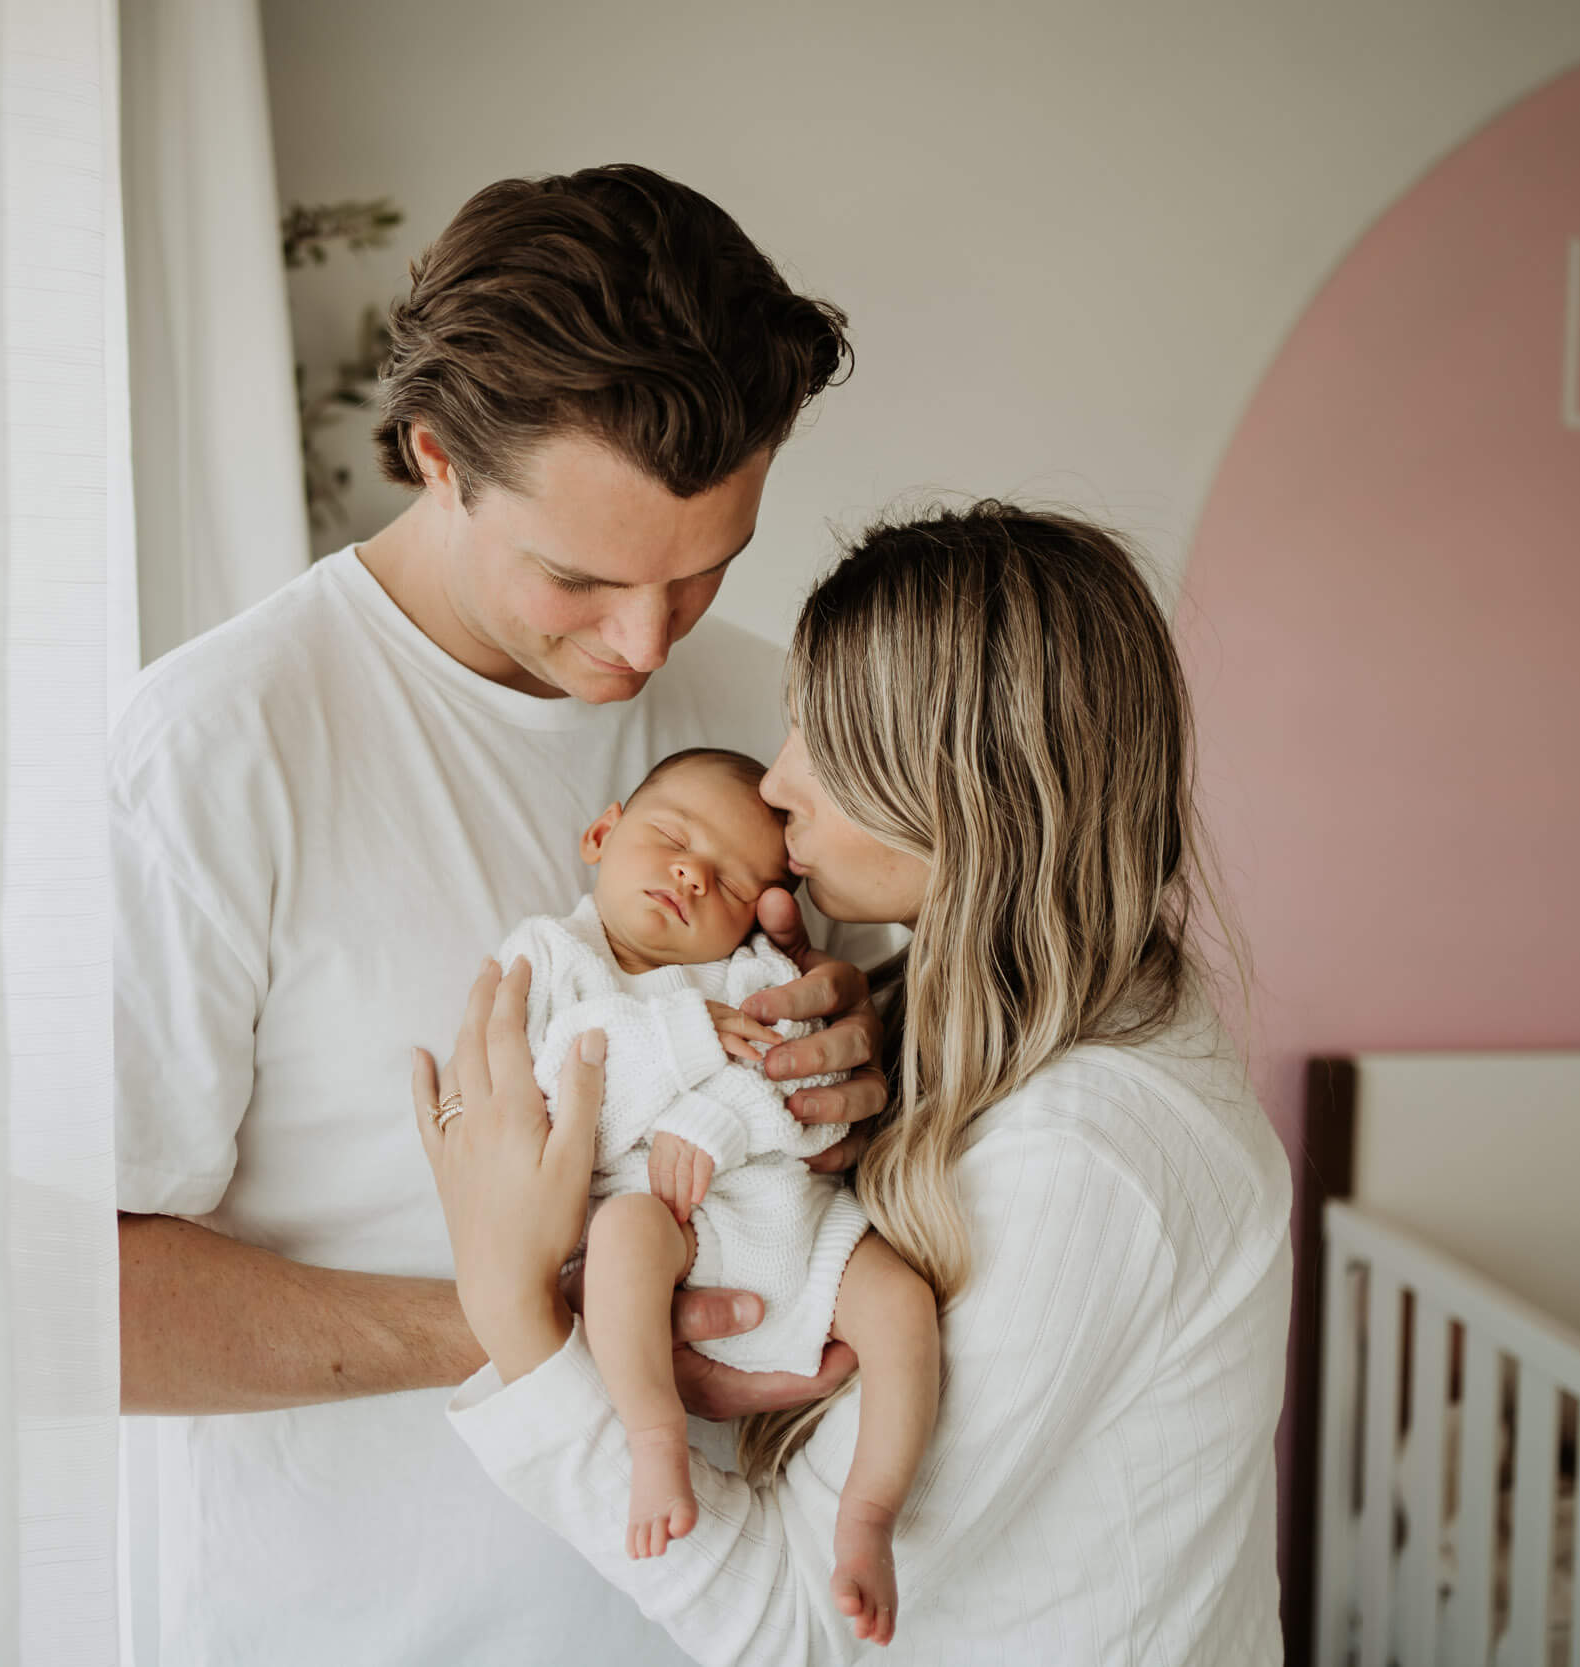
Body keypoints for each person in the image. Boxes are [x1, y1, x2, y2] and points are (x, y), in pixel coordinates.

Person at [111, 164, 892, 1667]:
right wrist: (534, 1324)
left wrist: (851, 1067)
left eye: (704, 564)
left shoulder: (765, 716)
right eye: (580, 576)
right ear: (434, 457)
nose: (645, 641)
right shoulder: (216, 745)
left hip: (728, 1616)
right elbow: (80, 1297)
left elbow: (831, 1154)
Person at [416, 503, 1294, 1663]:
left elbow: (801, 1620)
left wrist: (513, 1311)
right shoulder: (1007, 1027)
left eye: (819, 741)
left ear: (965, 794)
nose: (777, 787)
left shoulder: (1088, 1157)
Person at [490, 746, 940, 1640]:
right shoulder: (552, 957)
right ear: (601, 833)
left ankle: (870, 1515)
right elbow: (561, 1080)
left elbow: (810, 1105)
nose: (694, 873)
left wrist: (724, 1120)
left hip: (785, 1217)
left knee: (904, 1305)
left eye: (734, 883)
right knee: (620, 1239)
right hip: (662, 1225)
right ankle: (656, 1444)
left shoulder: (754, 975)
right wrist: (689, 1033)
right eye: (670, 838)